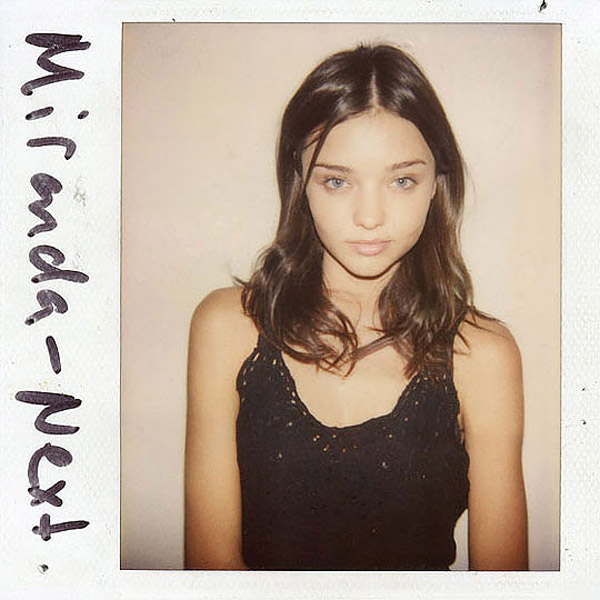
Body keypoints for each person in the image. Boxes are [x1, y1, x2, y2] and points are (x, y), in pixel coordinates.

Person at [184, 43, 528, 571]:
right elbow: (211, 572)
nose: (370, 216)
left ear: (437, 184)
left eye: (402, 180)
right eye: (337, 181)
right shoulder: (227, 328)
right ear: (301, 182)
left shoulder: (482, 356)